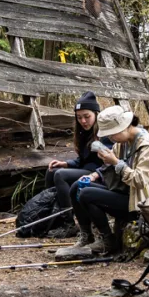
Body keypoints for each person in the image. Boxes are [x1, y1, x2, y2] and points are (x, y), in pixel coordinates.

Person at [73, 105, 149, 256]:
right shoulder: (125, 142)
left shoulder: (147, 147)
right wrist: (97, 173)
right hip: (126, 193)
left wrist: (115, 163)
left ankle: (108, 240)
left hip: (141, 203)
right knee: (76, 188)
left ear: (124, 127)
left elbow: (139, 180)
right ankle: (91, 236)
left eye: (112, 135)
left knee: (86, 194)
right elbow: (116, 165)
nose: (111, 139)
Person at [47, 92, 113, 249]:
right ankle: (55, 217)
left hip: (98, 174)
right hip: (86, 170)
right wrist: (66, 163)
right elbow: (82, 160)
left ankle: (69, 223)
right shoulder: (84, 132)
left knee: (61, 176)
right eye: (79, 117)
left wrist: (95, 174)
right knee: (52, 171)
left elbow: (109, 162)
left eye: (87, 116)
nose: (83, 121)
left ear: (96, 114)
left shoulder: (105, 133)